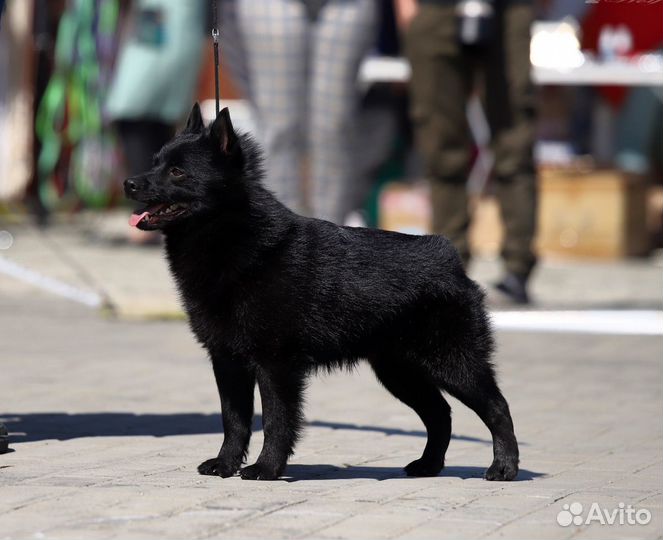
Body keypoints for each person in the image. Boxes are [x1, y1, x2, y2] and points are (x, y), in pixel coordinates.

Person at [396, 0, 538, 304]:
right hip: (435, 10)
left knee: (514, 140)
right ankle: (449, 266)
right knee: (440, 144)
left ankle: (518, 268)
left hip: (507, 9)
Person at [220, 0, 378, 224]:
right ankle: (283, 241)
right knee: (279, 130)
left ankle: (332, 241)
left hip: (346, 5)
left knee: (334, 129)